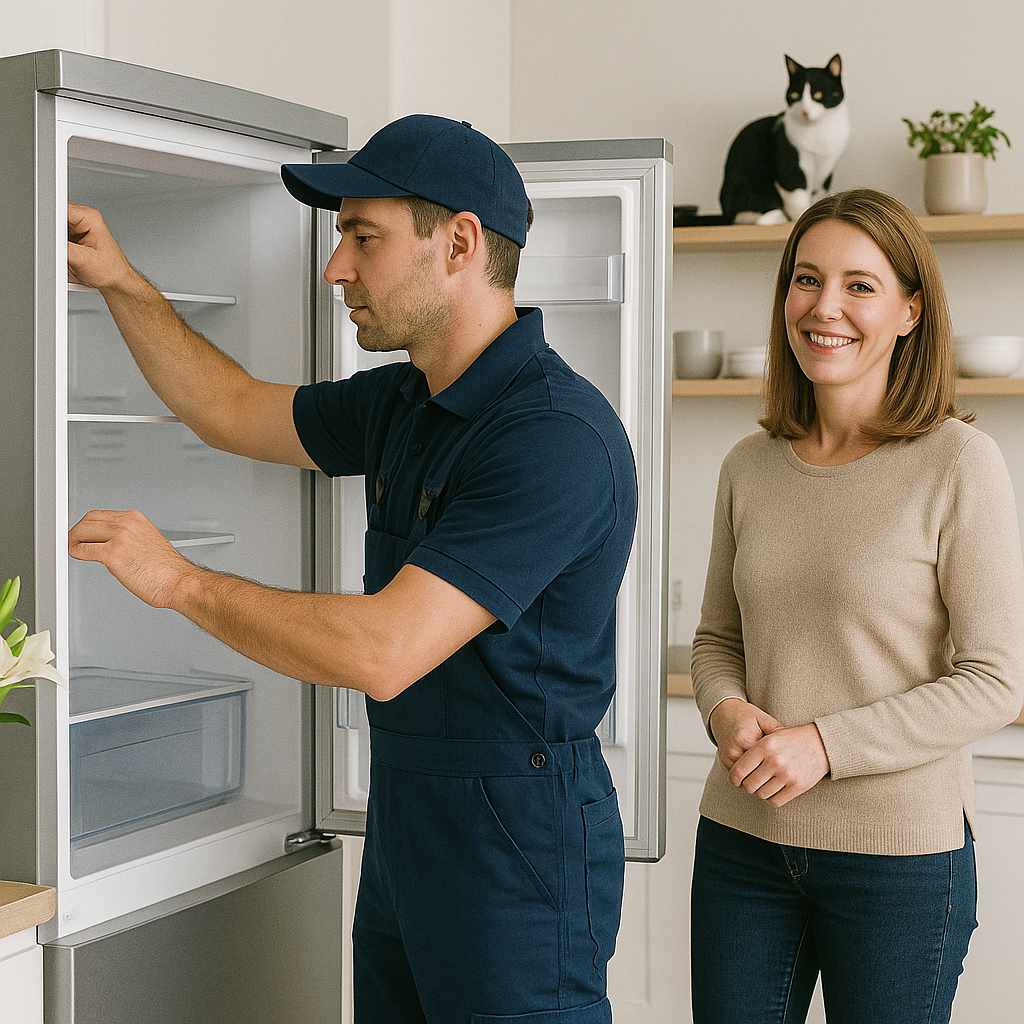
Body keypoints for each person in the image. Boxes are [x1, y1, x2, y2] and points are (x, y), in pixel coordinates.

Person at [67, 114, 637, 1024]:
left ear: (459, 243)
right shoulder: (405, 400)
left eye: (362, 237)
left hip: (516, 841)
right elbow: (227, 407)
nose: (337, 268)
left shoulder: (553, 439)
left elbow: (386, 650)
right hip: (409, 816)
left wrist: (178, 583)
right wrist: (118, 279)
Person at [688, 188, 1024, 1024]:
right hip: (742, 844)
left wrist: (824, 747)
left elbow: (997, 679)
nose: (824, 306)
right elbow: (715, 639)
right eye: (806, 280)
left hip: (899, 864)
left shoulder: (960, 463)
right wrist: (725, 710)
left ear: (911, 312)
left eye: (859, 285)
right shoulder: (749, 465)